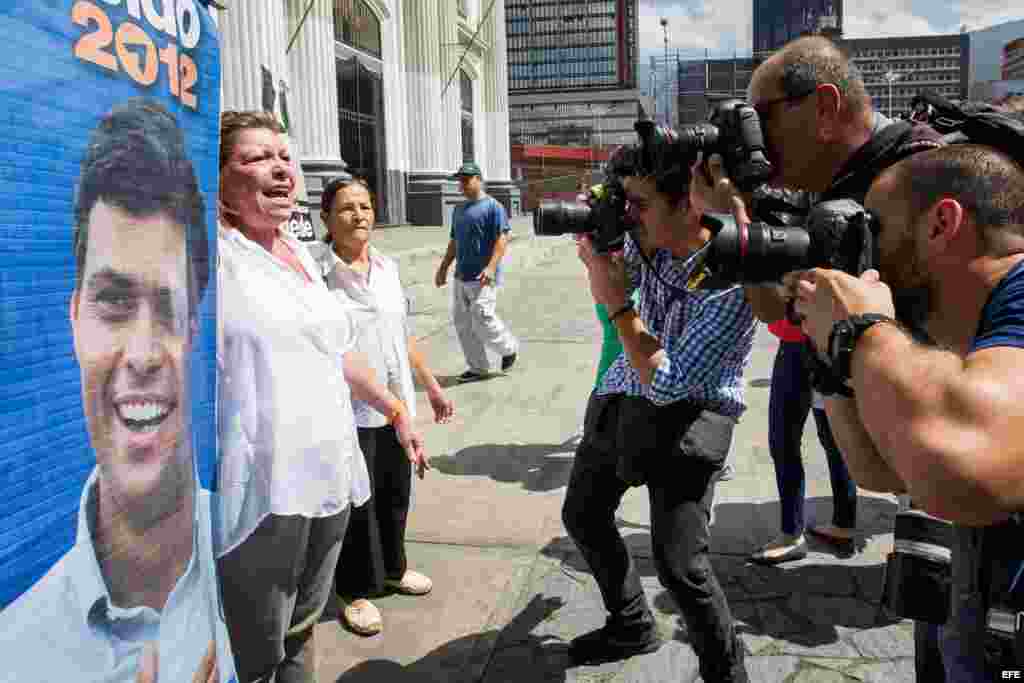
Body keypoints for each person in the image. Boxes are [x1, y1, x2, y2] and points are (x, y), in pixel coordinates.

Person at [0, 98, 227, 683]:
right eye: (114, 302)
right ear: (74, 319)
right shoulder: (14, 654)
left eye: (169, 307)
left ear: (195, 329)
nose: (145, 354)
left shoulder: (244, 545)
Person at [790, 144, 1024, 680]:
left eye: (876, 231)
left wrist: (862, 332)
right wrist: (833, 360)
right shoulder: (962, 329)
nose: (870, 257)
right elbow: (884, 469)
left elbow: (967, 472)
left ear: (942, 222)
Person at [216, 111, 428, 683]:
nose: (281, 168)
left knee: (302, 631)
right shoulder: (213, 258)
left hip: (331, 475)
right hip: (267, 492)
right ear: (218, 180)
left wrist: (395, 409)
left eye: (285, 156)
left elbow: (336, 350)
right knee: (257, 653)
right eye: (257, 158)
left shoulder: (295, 254)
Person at [561, 155, 756, 681]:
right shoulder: (646, 242)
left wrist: (618, 305)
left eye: (640, 204)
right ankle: (631, 623)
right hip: (621, 393)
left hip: (689, 418)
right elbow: (602, 256)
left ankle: (726, 672)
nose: (629, 215)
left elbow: (669, 382)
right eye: (625, 203)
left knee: (680, 567)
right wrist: (595, 247)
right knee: (582, 514)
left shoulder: (734, 275)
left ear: (688, 204)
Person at [316, 175, 453, 636]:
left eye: (366, 207)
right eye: (347, 209)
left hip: (396, 404)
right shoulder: (316, 276)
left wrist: (431, 385)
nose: (359, 216)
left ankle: (393, 569)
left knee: (396, 491)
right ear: (326, 219)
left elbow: (402, 336)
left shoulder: (388, 268)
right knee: (357, 499)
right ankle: (353, 591)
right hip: (346, 409)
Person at [751, 318, 857, 564]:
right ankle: (842, 524)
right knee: (833, 439)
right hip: (827, 342)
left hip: (807, 344)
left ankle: (792, 534)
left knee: (785, 440)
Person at [434, 161, 519, 382]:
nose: (461, 184)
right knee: (463, 324)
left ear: (479, 179)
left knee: (483, 317)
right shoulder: (459, 209)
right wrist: (444, 267)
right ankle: (478, 368)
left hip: (483, 276)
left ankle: (508, 348)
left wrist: (491, 267)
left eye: (466, 180)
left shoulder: (493, 207)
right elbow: (454, 241)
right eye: (460, 180)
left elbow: (502, 238)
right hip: (461, 276)